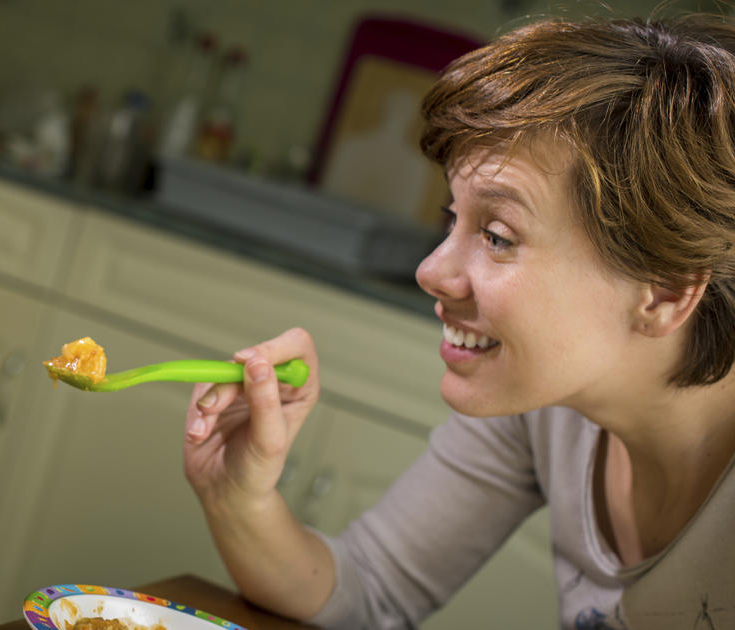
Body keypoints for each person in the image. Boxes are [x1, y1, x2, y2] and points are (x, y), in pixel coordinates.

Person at [183, 11, 735, 630]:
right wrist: (238, 497)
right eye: (454, 219)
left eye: (498, 236)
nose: (432, 271)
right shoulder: (548, 404)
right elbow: (369, 590)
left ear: (662, 293)